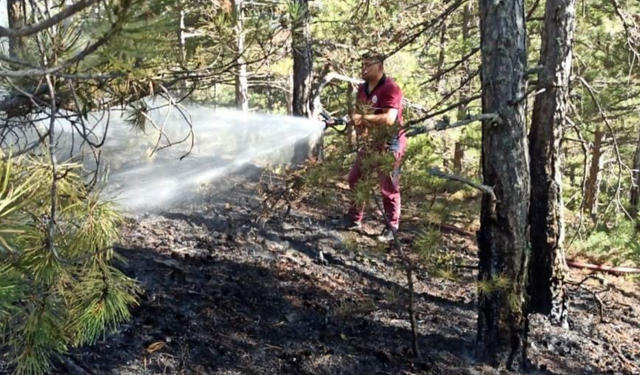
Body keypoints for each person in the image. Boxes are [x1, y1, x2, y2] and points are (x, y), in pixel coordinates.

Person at [343, 52, 406, 242]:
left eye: (368, 65)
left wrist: (362, 119)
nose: (363, 68)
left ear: (380, 67)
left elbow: (389, 119)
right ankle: (354, 218)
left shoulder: (390, 88)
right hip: (370, 143)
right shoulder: (362, 89)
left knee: (388, 186)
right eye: (362, 64)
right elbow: (358, 116)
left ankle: (391, 227)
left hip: (390, 142)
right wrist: (359, 134)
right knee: (356, 178)